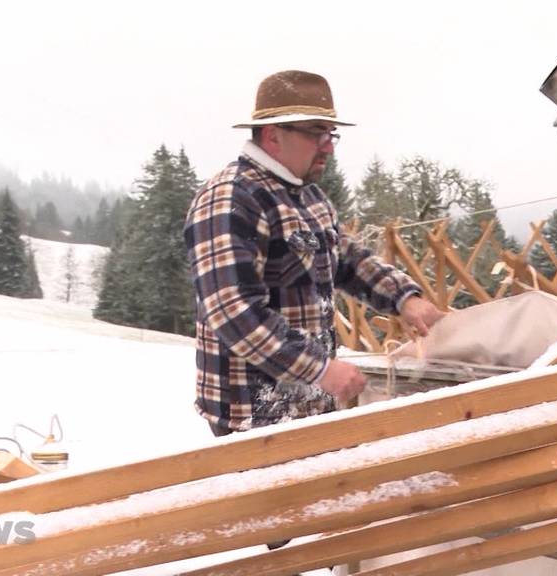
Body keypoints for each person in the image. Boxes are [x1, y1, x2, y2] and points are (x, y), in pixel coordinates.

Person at [184, 70, 444, 437]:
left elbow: (348, 260)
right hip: (253, 415)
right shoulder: (230, 198)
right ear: (273, 134)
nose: (329, 146)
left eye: (331, 134)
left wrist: (405, 298)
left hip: (307, 405)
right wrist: (321, 369)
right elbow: (233, 311)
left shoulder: (307, 196)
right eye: (316, 133)